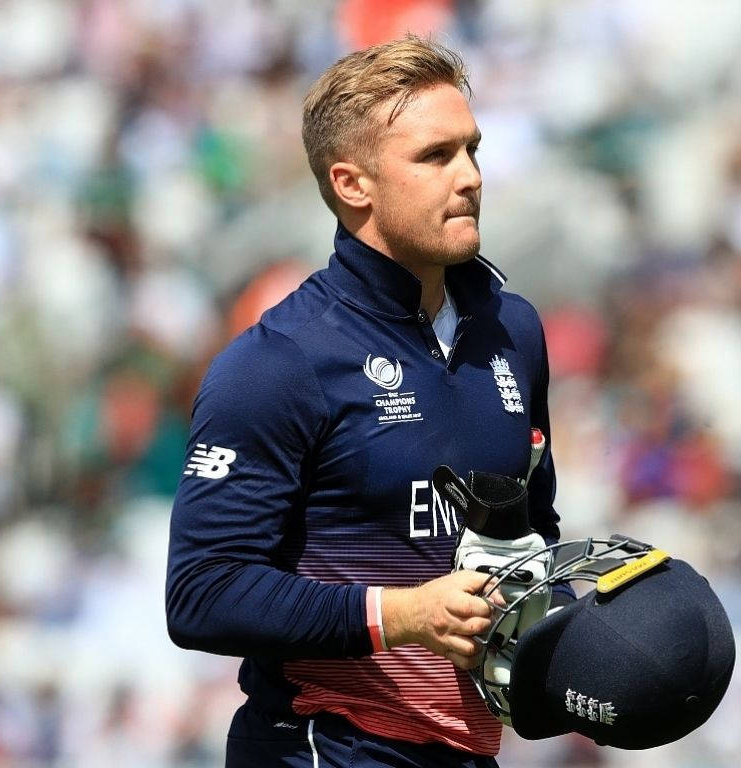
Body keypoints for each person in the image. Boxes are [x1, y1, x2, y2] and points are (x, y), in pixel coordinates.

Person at [166, 35, 563, 768]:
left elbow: (531, 529)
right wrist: (403, 615)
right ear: (353, 184)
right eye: (435, 157)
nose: (471, 176)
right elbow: (201, 593)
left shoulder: (516, 331)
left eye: (472, 149)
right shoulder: (276, 364)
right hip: (325, 747)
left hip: (468, 753)